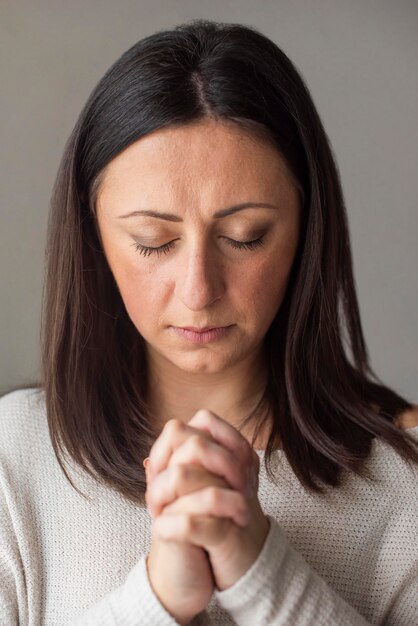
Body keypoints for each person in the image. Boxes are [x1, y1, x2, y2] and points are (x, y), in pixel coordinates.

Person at [0, 18, 417, 626]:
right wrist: (157, 599)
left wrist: (258, 570)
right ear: (93, 237)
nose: (199, 291)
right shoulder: (14, 459)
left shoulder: (403, 483)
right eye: (152, 242)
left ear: (307, 229)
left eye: (245, 238)